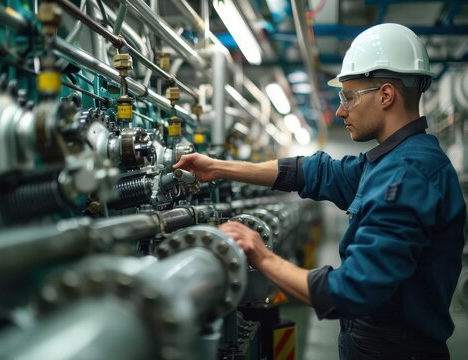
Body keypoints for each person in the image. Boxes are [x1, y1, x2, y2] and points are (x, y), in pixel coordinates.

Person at [174, 23, 466, 360]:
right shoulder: (392, 162)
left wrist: (261, 256)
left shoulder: (406, 175)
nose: (341, 110)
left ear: (386, 95)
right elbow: (316, 171)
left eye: (349, 97)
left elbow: (351, 290)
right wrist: (219, 167)